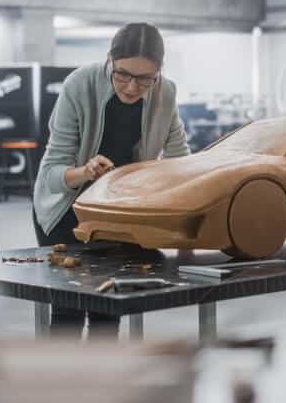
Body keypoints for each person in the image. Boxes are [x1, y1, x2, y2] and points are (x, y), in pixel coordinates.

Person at [32, 22, 190, 335]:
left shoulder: (165, 92)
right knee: (69, 308)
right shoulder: (79, 84)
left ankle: (103, 369)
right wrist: (86, 172)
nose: (131, 87)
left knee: (108, 308)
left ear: (159, 71)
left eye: (145, 79)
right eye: (123, 75)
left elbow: (180, 162)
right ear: (110, 61)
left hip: (117, 212)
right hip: (66, 210)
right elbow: (51, 175)